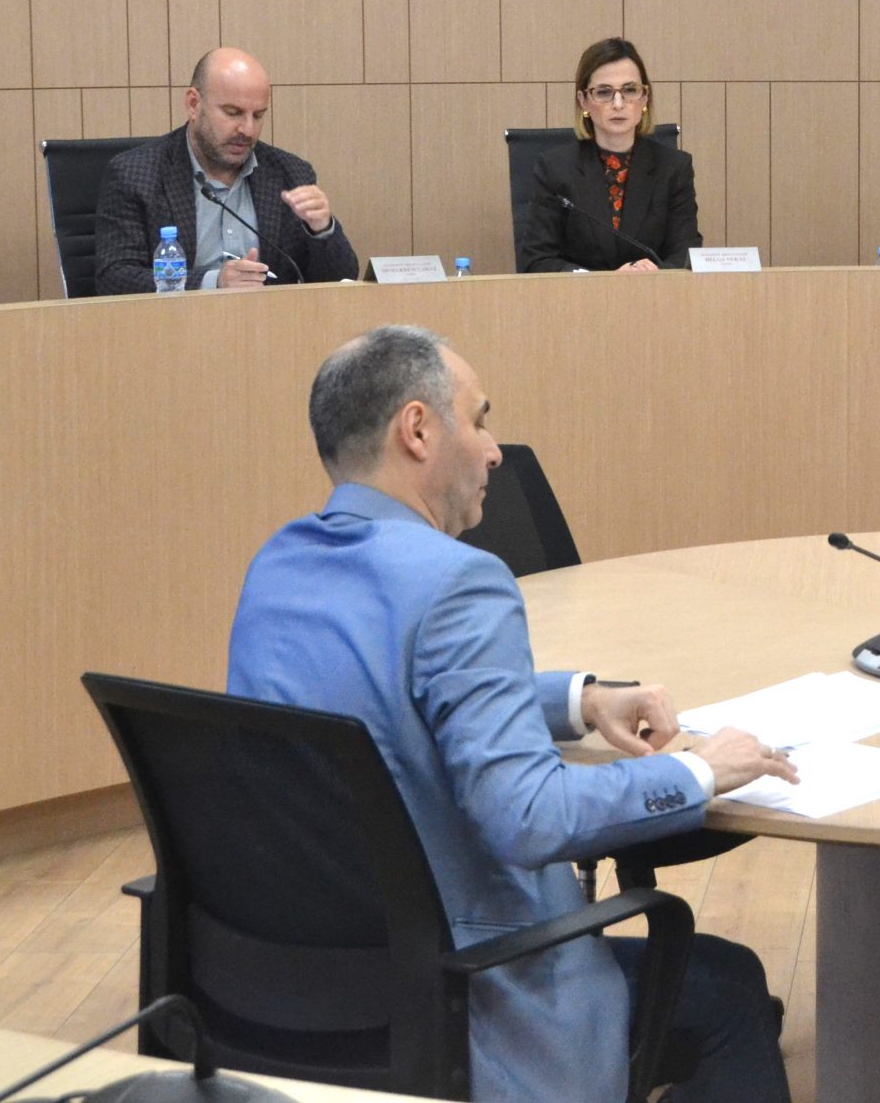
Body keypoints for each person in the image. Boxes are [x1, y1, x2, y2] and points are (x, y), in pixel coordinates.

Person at [228, 325, 798, 1103]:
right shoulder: (459, 580)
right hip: (473, 998)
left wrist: (578, 700)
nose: (496, 450)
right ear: (418, 429)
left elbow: (385, 702)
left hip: (309, 992)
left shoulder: (280, 565)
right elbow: (528, 816)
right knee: (732, 988)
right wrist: (699, 770)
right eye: (480, 419)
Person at [94, 47, 359, 292]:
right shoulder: (136, 175)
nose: (248, 130)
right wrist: (214, 282)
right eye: (233, 113)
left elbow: (340, 282)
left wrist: (322, 229)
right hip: (175, 324)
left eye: (258, 115)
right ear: (193, 104)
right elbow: (114, 278)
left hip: (269, 322)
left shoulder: (289, 174)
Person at [517, 38, 702, 274]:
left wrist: (652, 275)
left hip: (654, 294)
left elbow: (686, 253)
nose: (618, 104)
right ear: (583, 101)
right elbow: (537, 260)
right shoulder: (555, 168)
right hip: (580, 297)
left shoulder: (674, 168)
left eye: (630, 90)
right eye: (604, 92)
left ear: (645, 98)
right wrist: (603, 282)